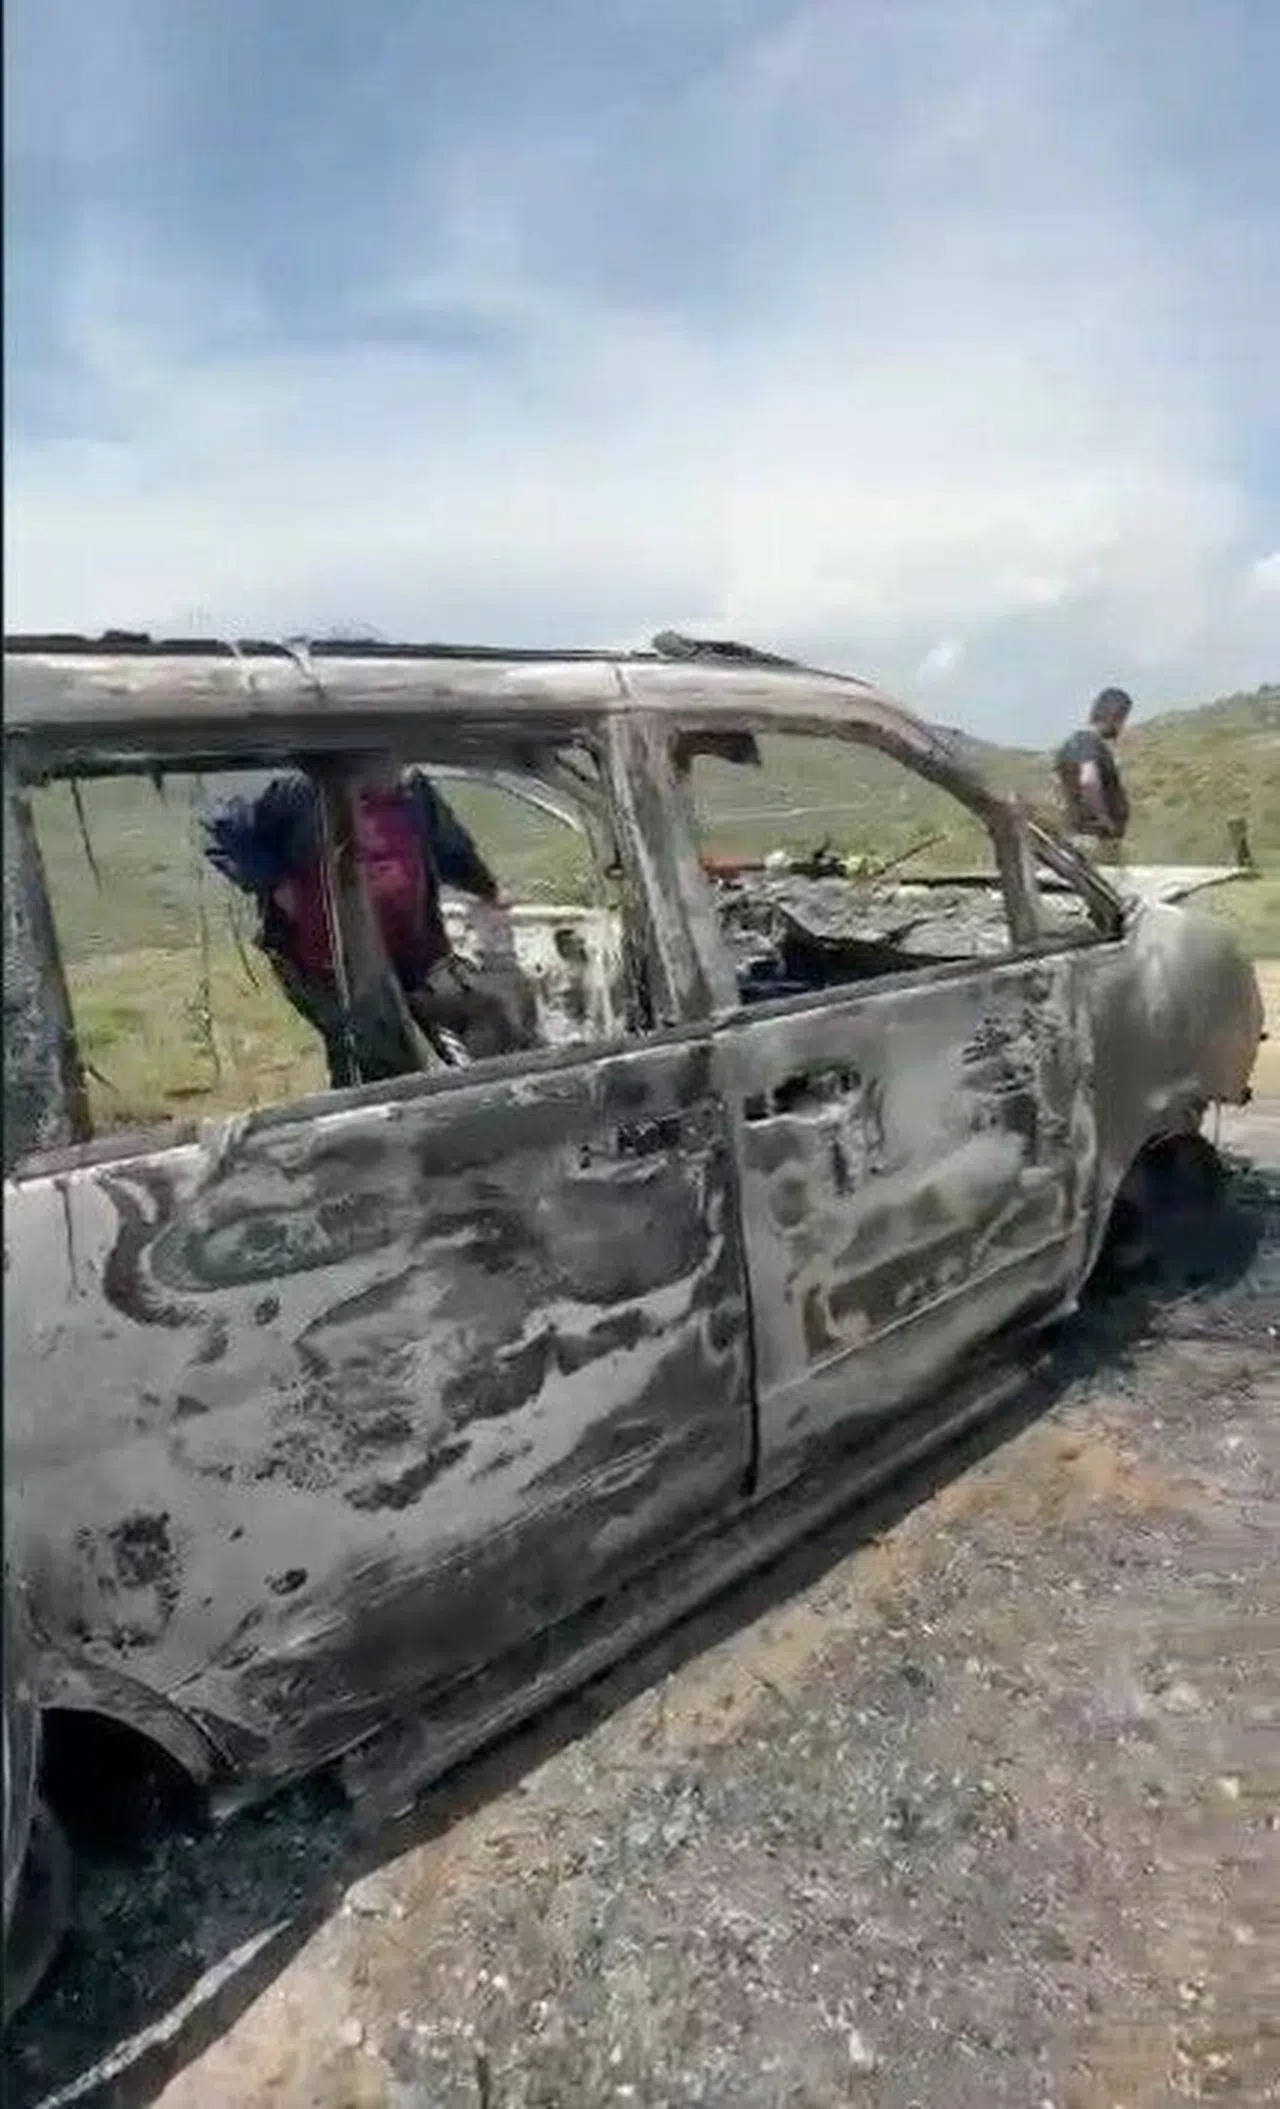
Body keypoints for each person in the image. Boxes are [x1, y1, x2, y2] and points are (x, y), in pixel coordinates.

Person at [204, 756, 535, 1085]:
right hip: (335, 968)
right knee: (378, 1064)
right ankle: (370, 1111)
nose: (400, 771)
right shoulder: (300, 791)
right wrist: (275, 883)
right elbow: (223, 825)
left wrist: (488, 889)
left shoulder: (413, 790)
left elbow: (450, 846)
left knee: (485, 1017)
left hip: (415, 953)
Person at [1054, 687, 1133, 859]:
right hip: (1091, 838)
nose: (1122, 727)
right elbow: (1089, 780)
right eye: (1122, 720)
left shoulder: (1077, 743)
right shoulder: (1087, 741)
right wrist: (1103, 819)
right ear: (1114, 716)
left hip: (1086, 836)